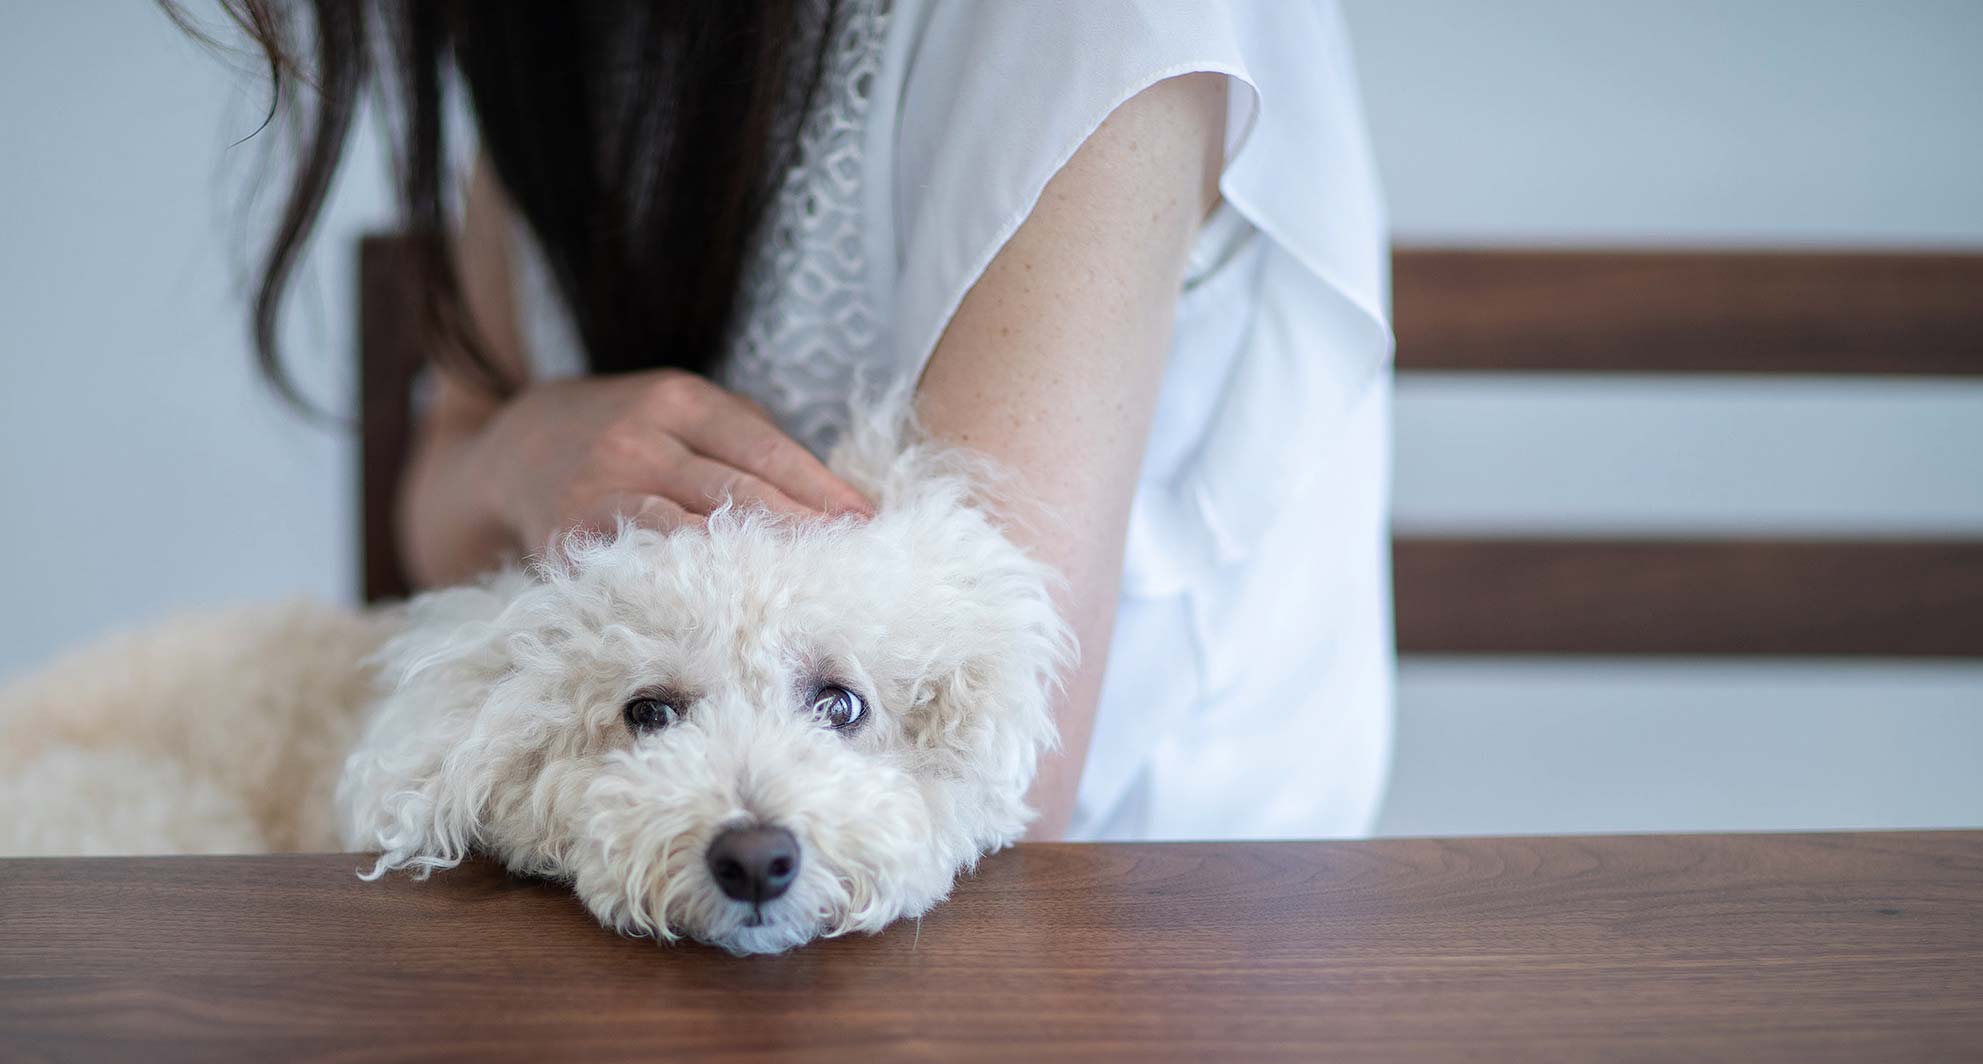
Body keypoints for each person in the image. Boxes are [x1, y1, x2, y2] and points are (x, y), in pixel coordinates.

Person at [185, 0, 1393, 840]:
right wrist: (520, 451)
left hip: (1126, 942)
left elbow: (1000, 789)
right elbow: (432, 525)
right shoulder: (553, 41)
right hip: (646, 918)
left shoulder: (1077, 28)